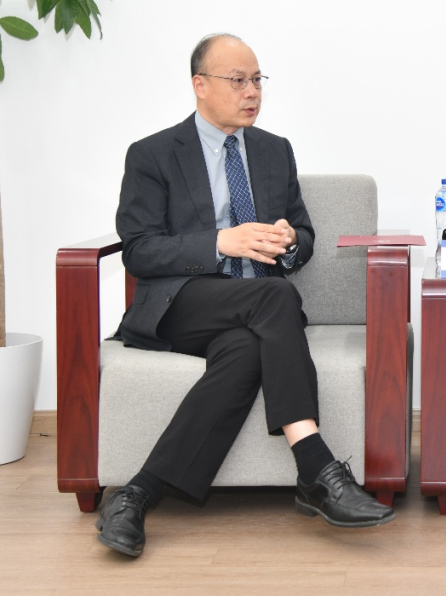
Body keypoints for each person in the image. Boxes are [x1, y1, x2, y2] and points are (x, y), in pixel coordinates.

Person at [96, 33, 394, 558]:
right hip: (183, 304)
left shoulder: (275, 150)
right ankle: (317, 469)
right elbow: (139, 251)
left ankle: (136, 495)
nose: (252, 91)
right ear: (200, 85)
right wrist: (220, 243)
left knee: (246, 349)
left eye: (257, 80)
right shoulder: (153, 154)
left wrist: (290, 242)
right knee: (276, 299)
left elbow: (304, 235)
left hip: (253, 314)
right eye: (238, 80)